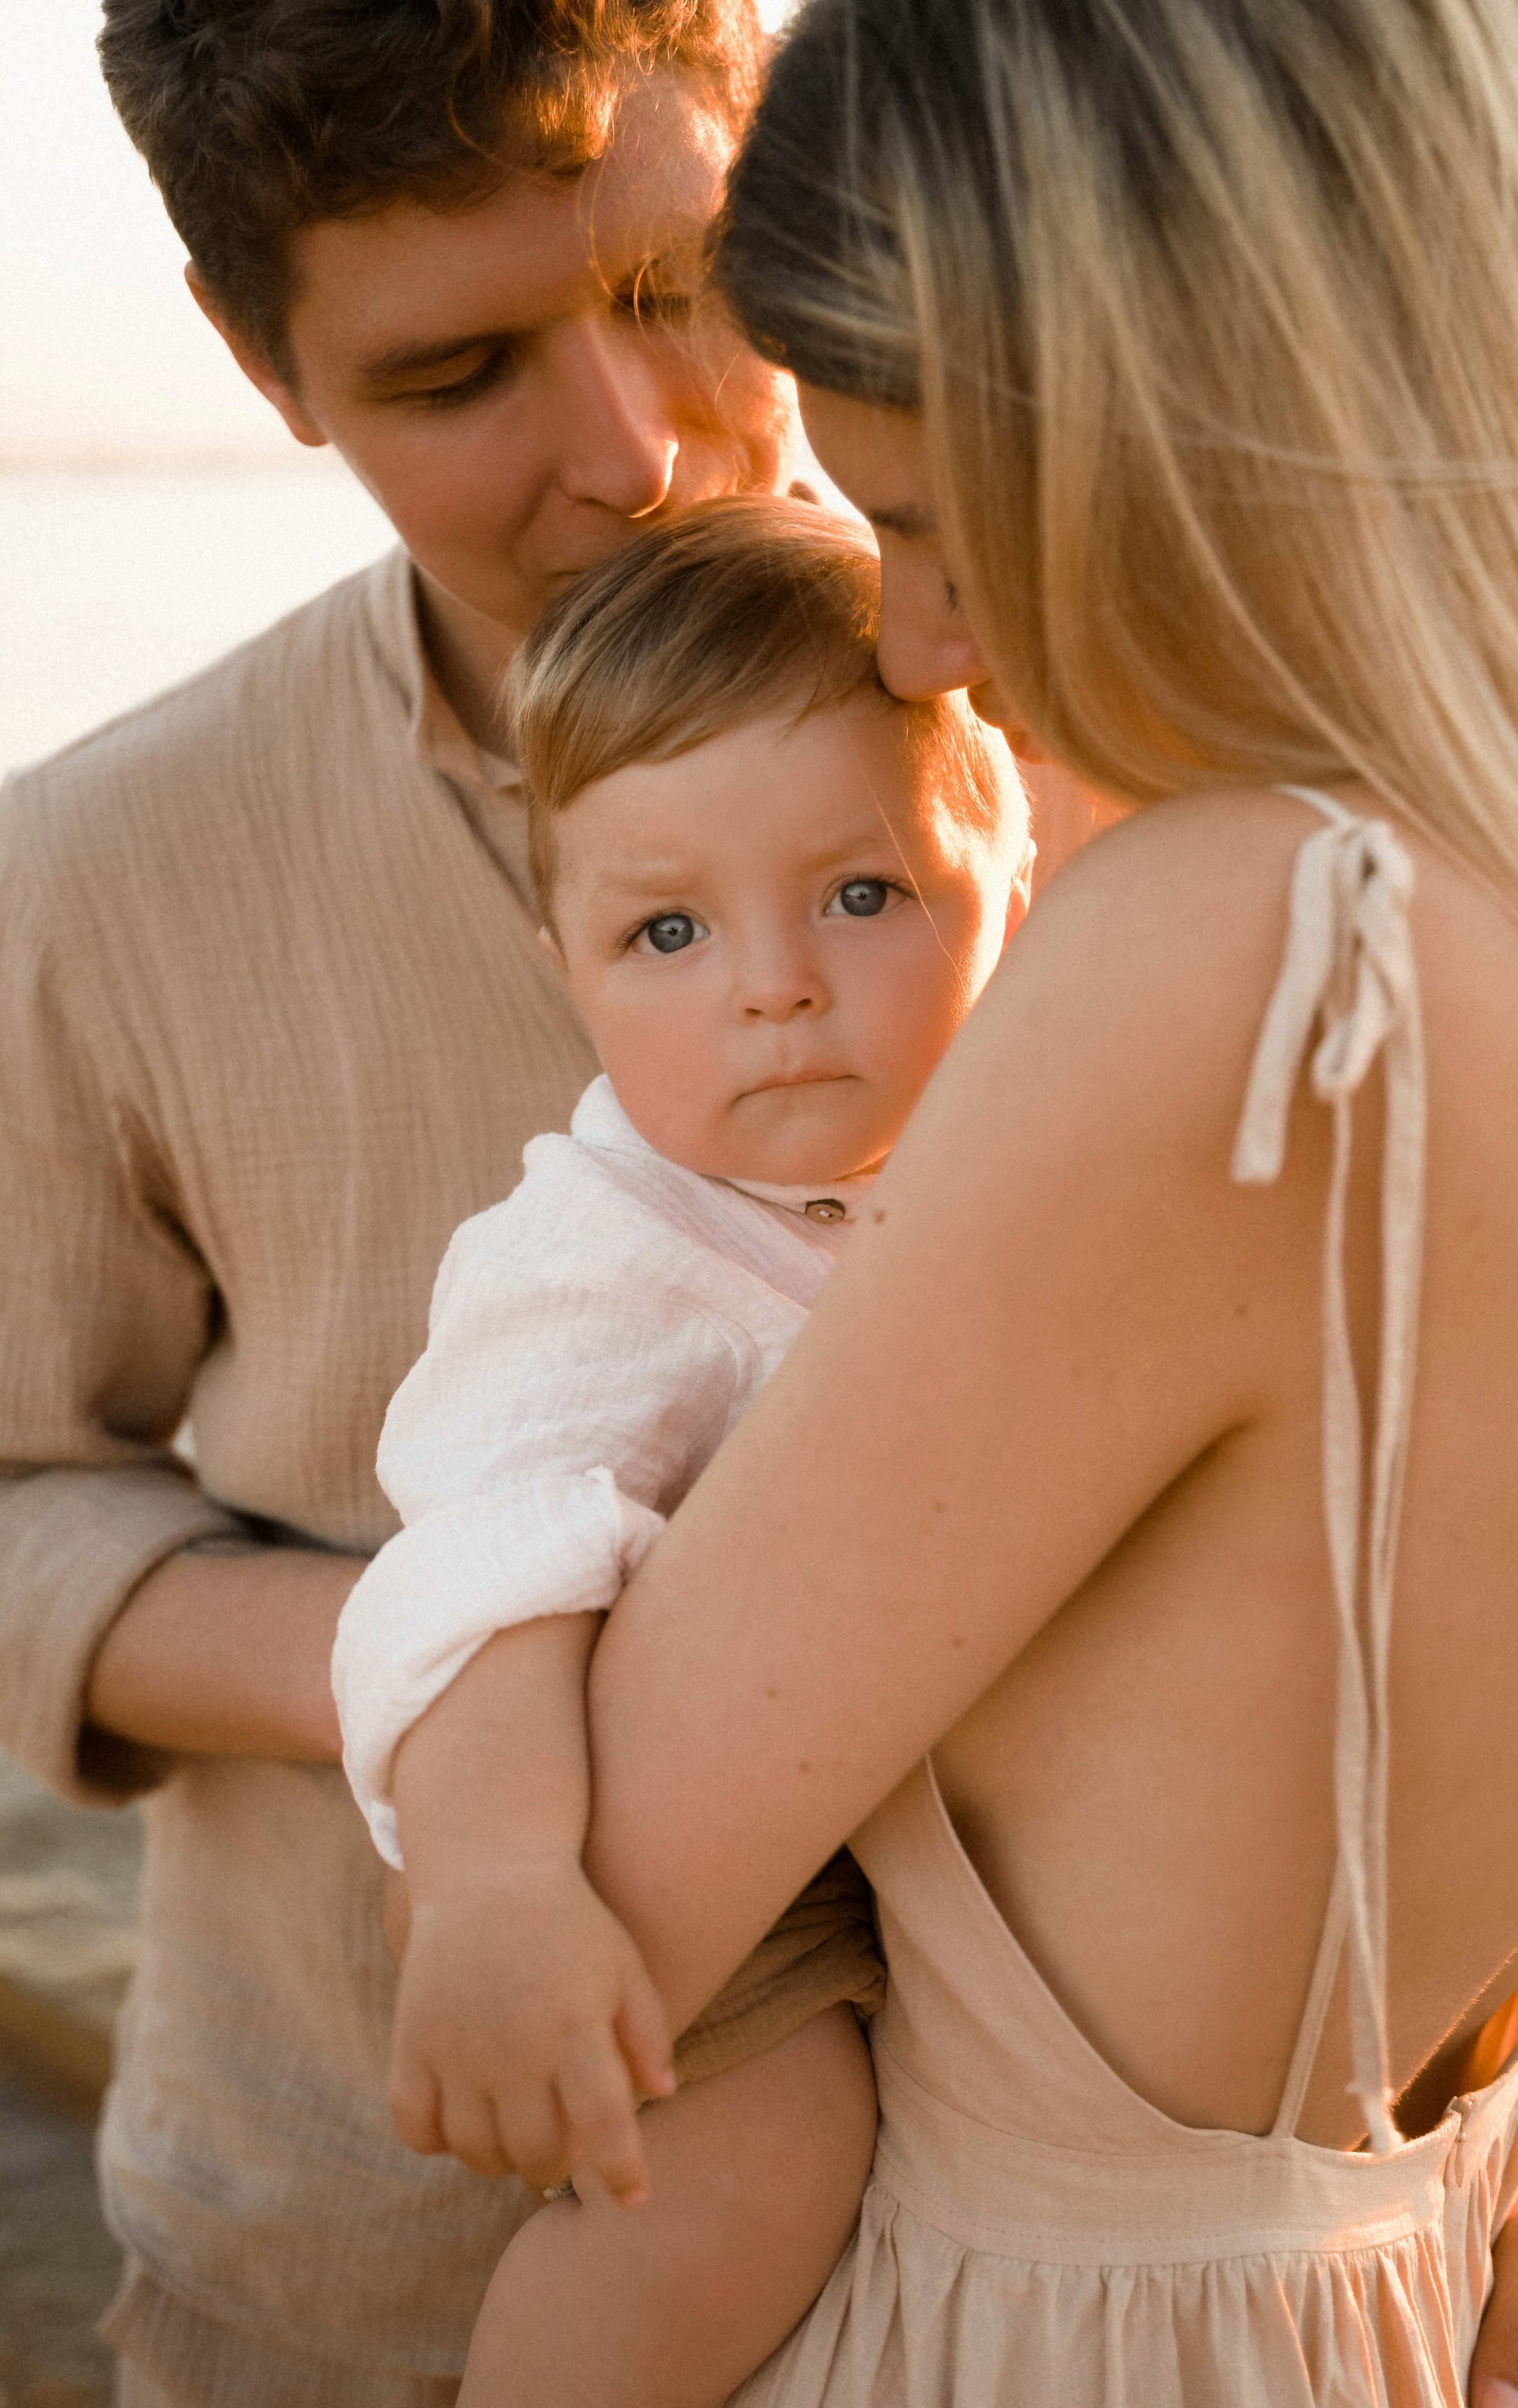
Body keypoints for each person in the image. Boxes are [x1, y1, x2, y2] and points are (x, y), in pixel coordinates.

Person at [389, 0, 1518, 2400]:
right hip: (1408, 2263)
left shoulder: (1247, 955)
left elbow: (626, 1908)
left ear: (1176, 413)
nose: (918, 639)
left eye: (935, 527)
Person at [0, 7, 867, 2405]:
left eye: (683, 284)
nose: (634, 449)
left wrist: (1515, 2081)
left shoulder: (1111, 716)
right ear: (256, 362)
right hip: (366, 2268)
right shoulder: (88, 870)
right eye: (460, 368)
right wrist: (473, 1655)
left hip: (1066, 2260)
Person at [334, 496, 1031, 2404]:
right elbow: (486, 1567)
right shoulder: (612, 1255)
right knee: (742, 2169)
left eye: (863, 894)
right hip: (655, 1846)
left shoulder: (1007, 1153)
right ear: (565, 963)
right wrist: (495, 1884)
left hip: (940, 1833)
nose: (772, 984)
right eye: (666, 929)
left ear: (1011, 885)